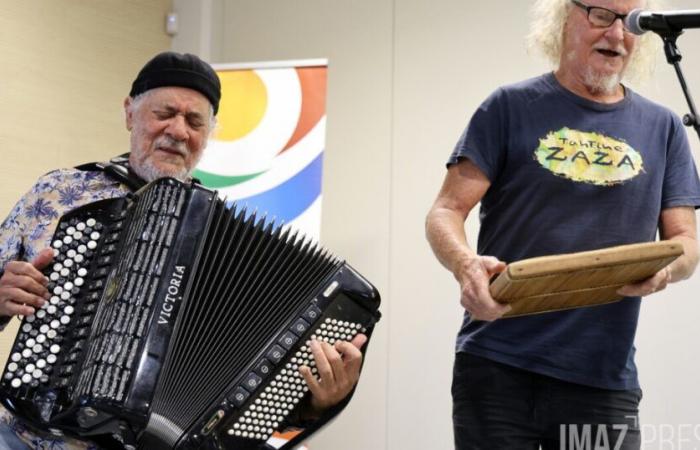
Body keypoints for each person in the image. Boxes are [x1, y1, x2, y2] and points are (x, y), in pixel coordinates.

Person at [0, 51, 366, 449]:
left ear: (209, 134)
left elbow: (251, 407)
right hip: (32, 435)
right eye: (164, 113)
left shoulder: (224, 238)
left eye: (195, 121)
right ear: (129, 113)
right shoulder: (59, 194)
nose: (178, 130)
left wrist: (317, 404)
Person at [425, 0, 700, 449]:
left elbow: (686, 243)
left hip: (603, 379)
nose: (616, 33)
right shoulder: (508, 107)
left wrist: (668, 270)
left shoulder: (663, 127)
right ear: (563, 18)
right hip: (498, 367)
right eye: (601, 15)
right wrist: (465, 265)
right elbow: (444, 211)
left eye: (629, 22)